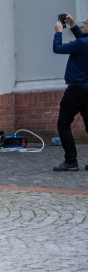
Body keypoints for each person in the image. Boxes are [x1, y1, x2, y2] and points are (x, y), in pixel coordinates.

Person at [52, 13, 88, 171]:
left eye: (85, 23)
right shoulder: (83, 42)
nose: (83, 25)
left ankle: (71, 161)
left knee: (63, 124)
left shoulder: (81, 44)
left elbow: (57, 49)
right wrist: (72, 25)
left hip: (76, 89)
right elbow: (82, 39)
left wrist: (58, 32)